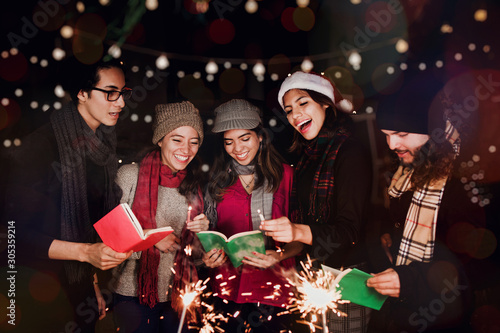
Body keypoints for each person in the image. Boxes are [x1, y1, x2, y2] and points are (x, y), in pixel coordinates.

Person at [4, 58, 133, 332]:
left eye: (123, 93)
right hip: (34, 290)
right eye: (111, 93)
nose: (120, 103)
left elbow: (86, 227)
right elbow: (13, 234)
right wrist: (86, 253)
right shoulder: (40, 146)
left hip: (79, 287)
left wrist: (92, 284)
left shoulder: (104, 149)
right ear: (82, 93)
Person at [366, 74, 486, 332]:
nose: (392, 144)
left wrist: (411, 280)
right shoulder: (411, 164)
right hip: (405, 312)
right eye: (386, 135)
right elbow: (404, 220)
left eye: (401, 133)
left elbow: (480, 268)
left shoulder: (467, 178)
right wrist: (390, 237)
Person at [260, 71, 373, 332]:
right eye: (288, 110)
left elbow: (350, 232)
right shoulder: (305, 158)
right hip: (311, 277)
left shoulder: (350, 152)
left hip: (348, 281)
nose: (295, 115)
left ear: (325, 103)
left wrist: (296, 230)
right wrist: (282, 253)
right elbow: (311, 229)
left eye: (303, 103)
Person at [202, 99, 304, 333]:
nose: (237, 149)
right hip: (226, 289)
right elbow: (205, 236)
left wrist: (279, 255)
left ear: (260, 137)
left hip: (274, 290)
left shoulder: (287, 176)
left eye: (245, 138)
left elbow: (303, 236)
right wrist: (206, 256)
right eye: (229, 142)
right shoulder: (216, 183)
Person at [111, 101, 210, 333]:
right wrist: (151, 240)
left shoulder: (193, 186)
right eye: (177, 139)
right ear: (160, 139)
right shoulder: (130, 175)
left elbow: (193, 257)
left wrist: (202, 235)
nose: (186, 149)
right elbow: (109, 239)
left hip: (178, 296)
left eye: (194, 142)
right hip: (132, 295)